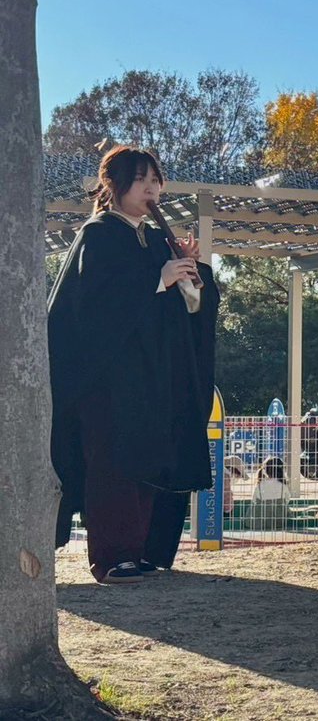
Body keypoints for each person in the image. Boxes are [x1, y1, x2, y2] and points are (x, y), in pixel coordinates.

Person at [49, 145, 219, 583]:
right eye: (141, 179)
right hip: (107, 381)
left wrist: (192, 276)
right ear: (114, 184)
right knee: (112, 464)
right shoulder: (99, 234)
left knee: (150, 459)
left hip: (151, 380)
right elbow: (94, 307)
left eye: (155, 180)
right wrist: (158, 278)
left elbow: (186, 312)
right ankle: (112, 557)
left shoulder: (157, 239)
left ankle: (142, 550)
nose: (151, 189)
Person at [248, 456, 291, 531]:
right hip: (279, 520)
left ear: (266, 470)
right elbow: (287, 499)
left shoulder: (260, 485)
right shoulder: (283, 485)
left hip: (261, 521)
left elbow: (254, 500)